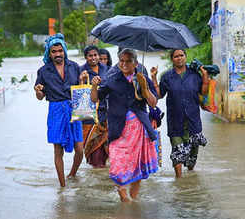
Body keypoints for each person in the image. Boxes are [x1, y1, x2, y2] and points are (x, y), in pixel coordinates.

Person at [90, 48, 158, 202]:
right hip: (118, 129)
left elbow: (153, 104)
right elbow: (95, 99)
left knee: (138, 166)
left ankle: (132, 203)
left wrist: (145, 87)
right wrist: (94, 86)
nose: (124, 64)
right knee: (118, 165)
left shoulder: (143, 79)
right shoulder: (111, 79)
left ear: (136, 63)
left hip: (139, 129)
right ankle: (124, 198)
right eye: (122, 61)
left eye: (128, 61)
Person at [34, 33, 84, 187]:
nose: (57, 54)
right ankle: (62, 186)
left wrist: (82, 81)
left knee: (80, 149)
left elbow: (80, 90)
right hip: (56, 111)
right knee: (58, 150)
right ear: (49, 53)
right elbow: (40, 97)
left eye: (60, 51)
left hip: (74, 107)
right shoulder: (43, 71)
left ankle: (72, 174)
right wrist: (38, 91)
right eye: (54, 51)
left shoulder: (74, 66)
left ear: (64, 51)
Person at [150, 49, 209, 178]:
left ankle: (190, 177)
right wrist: (154, 77)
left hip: (193, 120)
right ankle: (179, 180)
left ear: (185, 57)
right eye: (176, 56)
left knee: (192, 157)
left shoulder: (195, 75)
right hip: (175, 120)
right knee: (177, 152)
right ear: (172, 59)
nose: (179, 58)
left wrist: (205, 76)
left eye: (181, 55)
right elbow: (159, 95)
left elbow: (203, 93)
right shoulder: (167, 77)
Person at [79, 45, 109, 168]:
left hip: (106, 114)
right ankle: (96, 172)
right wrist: (82, 81)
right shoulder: (81, 71)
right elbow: (78, 96)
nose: (93, 58)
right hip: (89, 116)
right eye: (90, 55)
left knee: (107, 150)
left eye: (95, 55)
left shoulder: (107, 69)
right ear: (86, 57)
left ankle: (103, 178)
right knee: (94, 152)